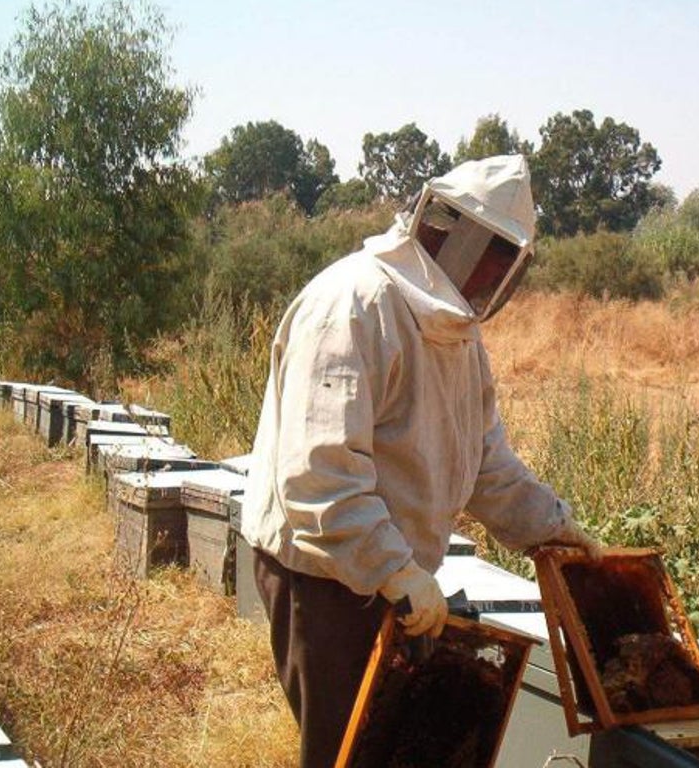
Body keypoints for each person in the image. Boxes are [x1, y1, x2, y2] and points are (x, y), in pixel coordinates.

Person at [240, 154, 601, 768]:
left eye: (505, 265)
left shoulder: (459, 334)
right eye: (489, 257)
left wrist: (552, 526)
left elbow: (486, 463)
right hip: (324, 577)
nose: (492, 277)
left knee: (394, 750)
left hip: (393, 572)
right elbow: (319, 475)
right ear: (452, 235)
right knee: (346, 752)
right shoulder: (352, 305)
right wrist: (396, 572)